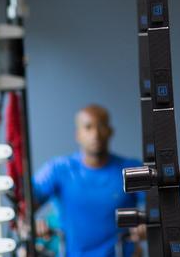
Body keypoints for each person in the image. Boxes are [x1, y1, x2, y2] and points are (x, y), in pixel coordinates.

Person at [33, 105, 146, 257]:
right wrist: (33, 224)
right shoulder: (59, 169)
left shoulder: (131, 169)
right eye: (88, 127)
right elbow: (24, 208)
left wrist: (146, 225)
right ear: (78, 134)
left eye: (101, 126)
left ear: (110, 131)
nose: (96, 134)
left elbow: (158, 210)